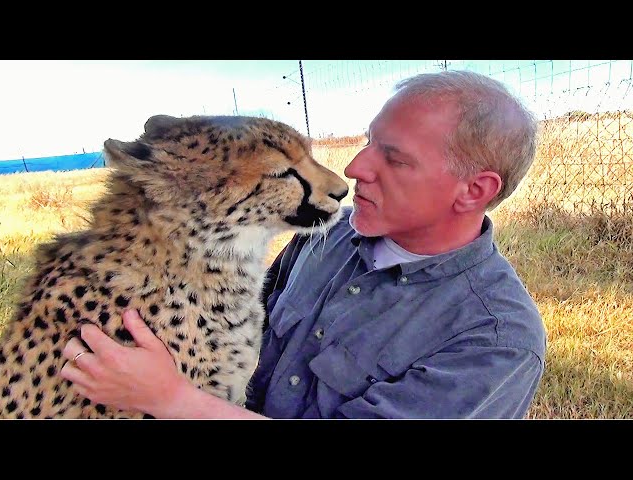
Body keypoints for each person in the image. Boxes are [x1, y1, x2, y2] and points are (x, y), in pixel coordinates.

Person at [60, 70, 546, 419]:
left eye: (393, 159)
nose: (355, 168)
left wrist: (173, 400)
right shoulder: (330, 234)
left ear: (474, 190)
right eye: (370, 141)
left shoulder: (495, 338)